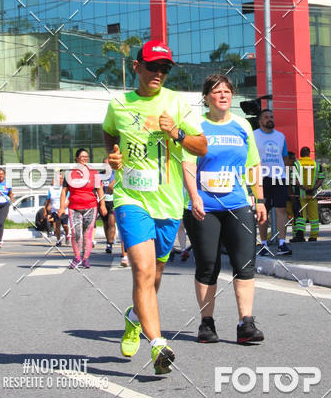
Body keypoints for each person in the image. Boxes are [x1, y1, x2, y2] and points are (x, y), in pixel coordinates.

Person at [103, 39, 207, 375]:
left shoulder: (177, 103)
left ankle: (134, 318)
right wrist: (113, 156)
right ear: (137, 67)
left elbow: (202, 146)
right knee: (143, 271)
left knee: (155, 277)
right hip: (130, 199)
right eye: (152, 67)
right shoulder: (119, 104)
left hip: (168, 202)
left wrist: (176, 133)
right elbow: (108, 133)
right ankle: (158, 344)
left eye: (164, 68)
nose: (158, 73)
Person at [183, 74, 266, 344]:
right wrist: (194, 196)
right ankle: (207, 324)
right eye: (217, 91)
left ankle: (246, 323)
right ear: (206, 97)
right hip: (204, 206)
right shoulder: (196, 125)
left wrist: (260, 199)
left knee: (245, 263)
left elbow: (253, 165)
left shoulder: (242, 126)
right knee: (208, 265)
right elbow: (189, 164)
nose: (223, 95)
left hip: (237, 204)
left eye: (227, 91)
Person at [59, 148, 106, 269]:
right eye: (82, 157)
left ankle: (85, 259)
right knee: (76, 233)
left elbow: (100, 190)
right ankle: (77, 257)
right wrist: (61, 207)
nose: (85, 159)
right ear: (76, 158)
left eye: (87, 157)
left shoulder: (93, 173)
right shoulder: (69, 173)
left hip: (91, 206)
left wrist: (102, 205)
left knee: (87, 234)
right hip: (74, 207)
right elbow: (64, 192)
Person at [254, 108, 291, 256]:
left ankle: (282, 244)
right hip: (262, 178)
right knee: (263, 211)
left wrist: (286, 176)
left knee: (281, 210)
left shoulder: (280, 136)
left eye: (271, 117)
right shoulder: (254, 135)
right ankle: (264, 244)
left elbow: (285, 158)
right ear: (260, 121)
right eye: (266, 117)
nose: (270, 119)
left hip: (279, 177)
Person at [294, 147, 322, 241]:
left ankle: (300, 235)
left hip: (301, 195)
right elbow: (321, 179)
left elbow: (294, 179)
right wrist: (314, 188)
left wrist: (303, 187)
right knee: (314, 216)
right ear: (309, 154)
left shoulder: (297, 164)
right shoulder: (316, 165)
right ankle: (313, 236)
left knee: (302, 217)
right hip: (313, 194)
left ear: (300, 154)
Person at [286, 150, 305, 243]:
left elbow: (293, 181)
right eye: (292, 159)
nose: (294, 160)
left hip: (295, 196)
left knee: (298, 216)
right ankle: (298, 235)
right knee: (296, 216)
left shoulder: (293, 167)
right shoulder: (289, 168)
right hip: (292, 196)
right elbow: (291, 183)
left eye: (295, 158)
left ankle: (299, 235)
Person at [48, 170, 69, 246]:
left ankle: (67, 235)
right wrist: (47, 209)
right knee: (57, 225)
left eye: (61, 179)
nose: (60, 180)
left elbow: (69, 199)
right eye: (58, 179)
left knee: (65, 225)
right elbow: (48, 199)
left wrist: (63, 207)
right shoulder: (51, 189)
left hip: (64, 210)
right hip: (55, 210)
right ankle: (58, 240)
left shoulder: (65, 188)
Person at [100, 158, 116, 253]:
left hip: (113, 200)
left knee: (111, 222)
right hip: (103, 201)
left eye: (108, 164)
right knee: (105, 223)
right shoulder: (99, 175)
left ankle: (110, 243)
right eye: (104, 164)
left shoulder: (115, 174)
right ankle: (108, 240)